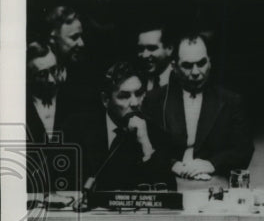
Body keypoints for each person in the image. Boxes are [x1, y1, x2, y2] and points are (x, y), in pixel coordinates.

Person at [144, 31, 254, 182]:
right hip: (167, 180)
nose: (196, 72)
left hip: (214, 181)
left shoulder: (231, 101)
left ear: (210, 61)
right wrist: (171, 164)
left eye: (201, 63)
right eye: (187, 66)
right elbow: (146, 145)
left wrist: (212, 163)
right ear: (174, 67)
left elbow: (244, 149)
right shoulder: (154, 100)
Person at [65, 60, 176, 192]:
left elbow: (169, 192)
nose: (135, 103)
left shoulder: (156, 134)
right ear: (105, 100)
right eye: (124, 96)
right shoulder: (77, 129)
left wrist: (146, 146)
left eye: (139, 94)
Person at [26, 42, 70, 143]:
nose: (50, 80)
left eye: (54, 70)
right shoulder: (20, 106)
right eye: (42, 74)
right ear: (28, 78)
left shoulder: (72, 98)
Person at [135, 19, 175, 93]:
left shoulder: (182, 80)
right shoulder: (135, 82)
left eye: (152, 48)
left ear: (169, 49)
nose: (144, 55)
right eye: (141, 49)